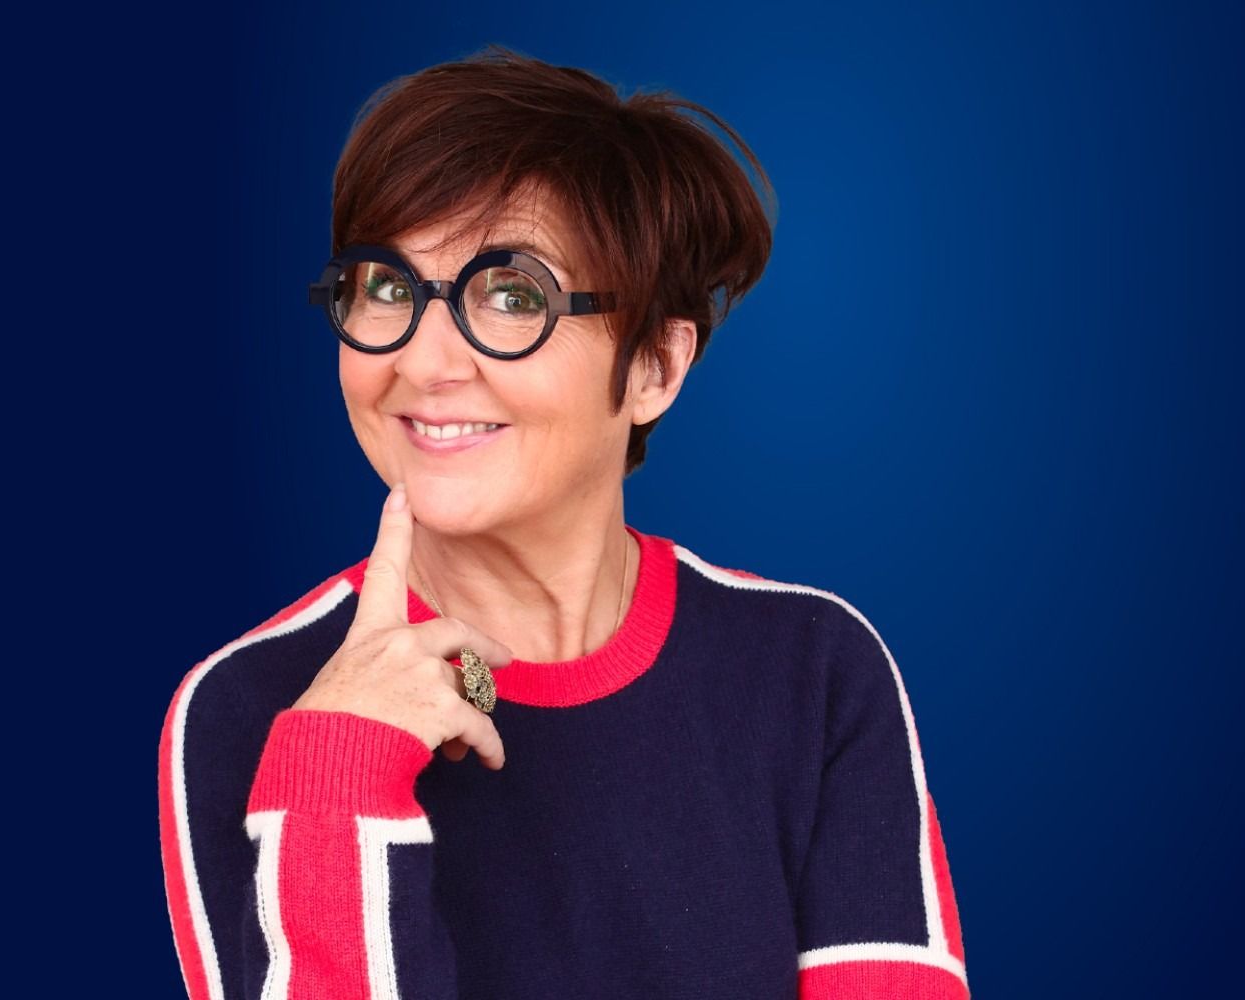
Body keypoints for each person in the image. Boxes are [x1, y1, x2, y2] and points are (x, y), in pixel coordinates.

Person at [158, 47, 968, 999]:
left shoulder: (812, 671)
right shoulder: (249, 710)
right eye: (386, 287)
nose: (423, 363)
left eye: (513, 297)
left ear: (655, 367)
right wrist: (337, 775)